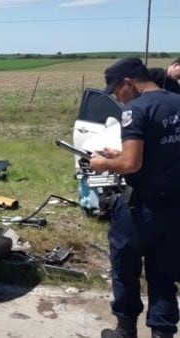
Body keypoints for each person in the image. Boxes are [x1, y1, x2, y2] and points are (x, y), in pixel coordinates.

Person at [89, 57, 180, 338]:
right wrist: (126, 155)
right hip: (174, 205)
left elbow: (131, 165)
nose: (117, 97)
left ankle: (125, 329)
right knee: (164, 273)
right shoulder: (176, 102)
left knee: (125, 267)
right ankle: (162, 333)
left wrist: (102, 163)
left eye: (116, 90)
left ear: (128, 83)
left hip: (140, 206)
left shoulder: (135, 110)